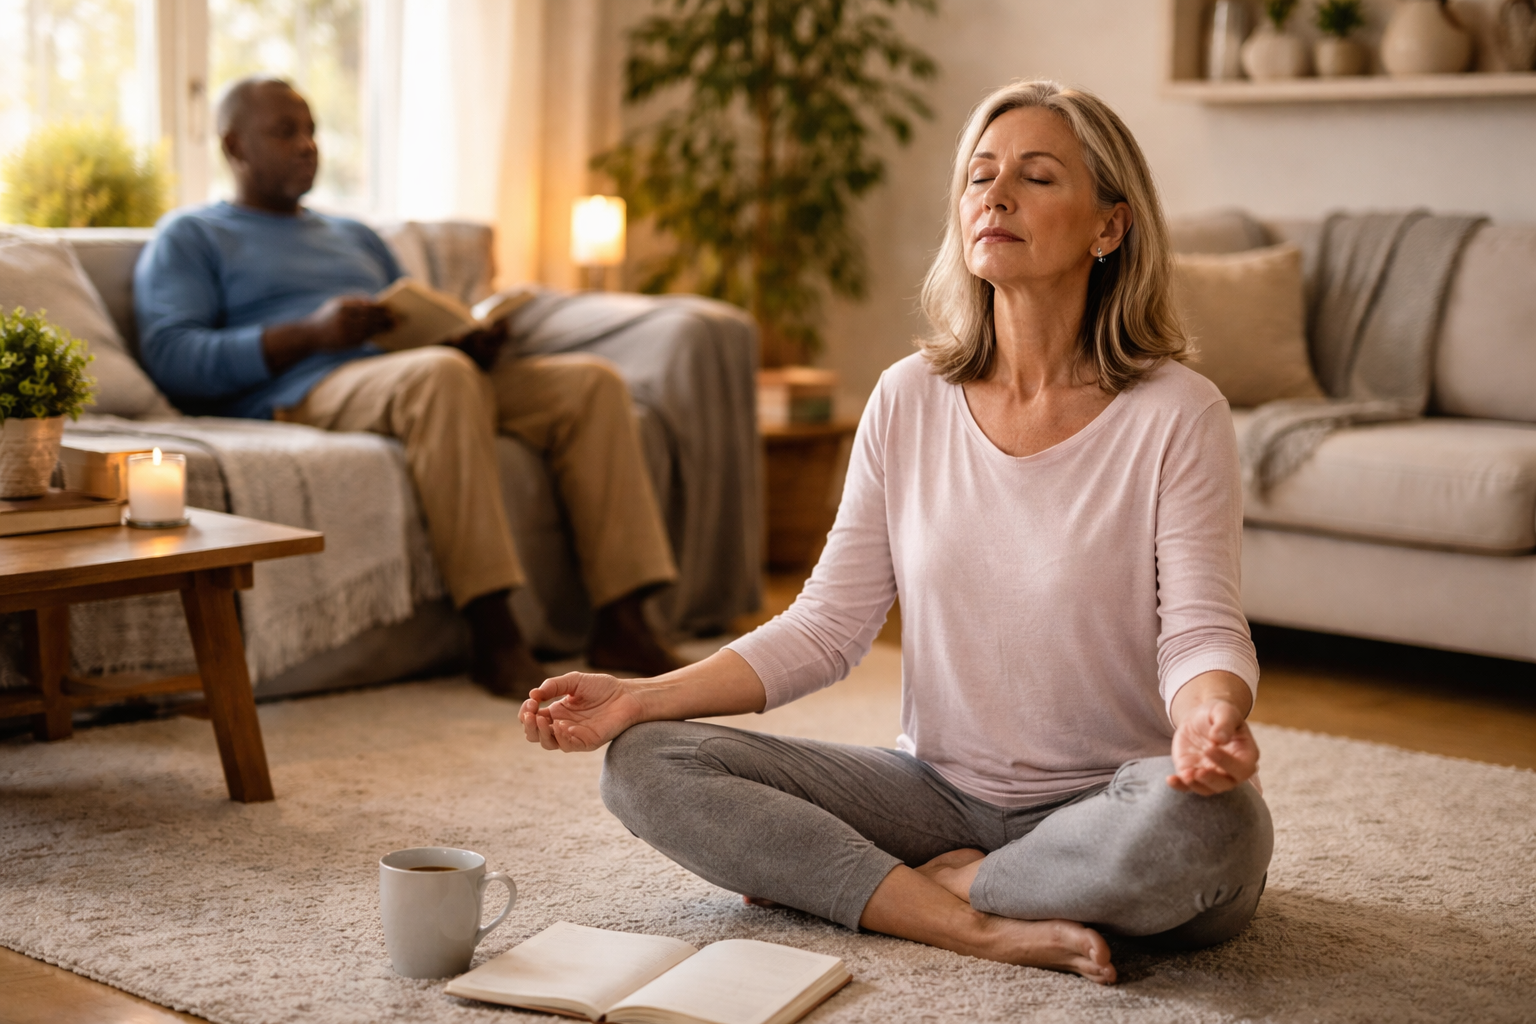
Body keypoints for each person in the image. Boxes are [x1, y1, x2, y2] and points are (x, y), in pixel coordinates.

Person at [516, 79, 1274, 985]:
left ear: (1110, 227)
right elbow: (829, 626)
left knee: (1216, 829)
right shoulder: (908, 397)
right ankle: (970, 920)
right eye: (979, 176)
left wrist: (1210, 721)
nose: (995, 196)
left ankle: (941, 886)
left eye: (1036, 177)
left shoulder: (1178, 413)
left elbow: (1199, 631)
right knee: (647, 763)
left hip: (1110, 800)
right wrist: (643, 695)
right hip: (935, 796)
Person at [135, 76, 685, 700]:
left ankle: (623, 618)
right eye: (284, 131)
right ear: (234, 146)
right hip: (306, 388)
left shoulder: (356, 236)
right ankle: (493, 629)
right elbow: (174, 356)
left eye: (311, 129)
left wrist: (463, 337)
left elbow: (416, 315)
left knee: (590, 383)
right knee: (441, 377)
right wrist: (310, 334)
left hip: (415, 375)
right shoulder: (193, 235)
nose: (307, 145)